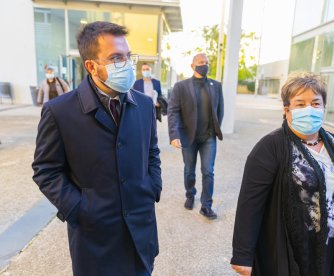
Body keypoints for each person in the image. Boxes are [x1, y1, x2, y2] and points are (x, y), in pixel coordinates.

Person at [32, 21, 161, 276]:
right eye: (116, 58)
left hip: (141, 230)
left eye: (127, 56)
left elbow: (152, 153)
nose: (126, 64)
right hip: (94, 239)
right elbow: (45, 170)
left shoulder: (145, 106)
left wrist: (152, 188)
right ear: (91, 66)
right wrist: (78, 208)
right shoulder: (59, 111)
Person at [231, 72, 334, 276]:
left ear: (323, 107)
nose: (309, 109)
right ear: (287, 110)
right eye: (300, 104)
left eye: (315, 103)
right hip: (289, 248)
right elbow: (250, 203)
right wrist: (242, 254)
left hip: (328, 246)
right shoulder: (270, 147)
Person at [167, 53, 224, 220]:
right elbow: (173, 111)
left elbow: (219, 110)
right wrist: (174, 134)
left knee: (208, 172)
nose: (204, 65)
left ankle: (206, 205)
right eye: (200, 62)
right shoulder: (181, 86)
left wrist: (215, 129)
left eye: (206, 63)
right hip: (188, 137)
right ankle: (190, 195)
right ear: (192, 66)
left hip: (208, 138)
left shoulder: (216, 86)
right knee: (189, 171)